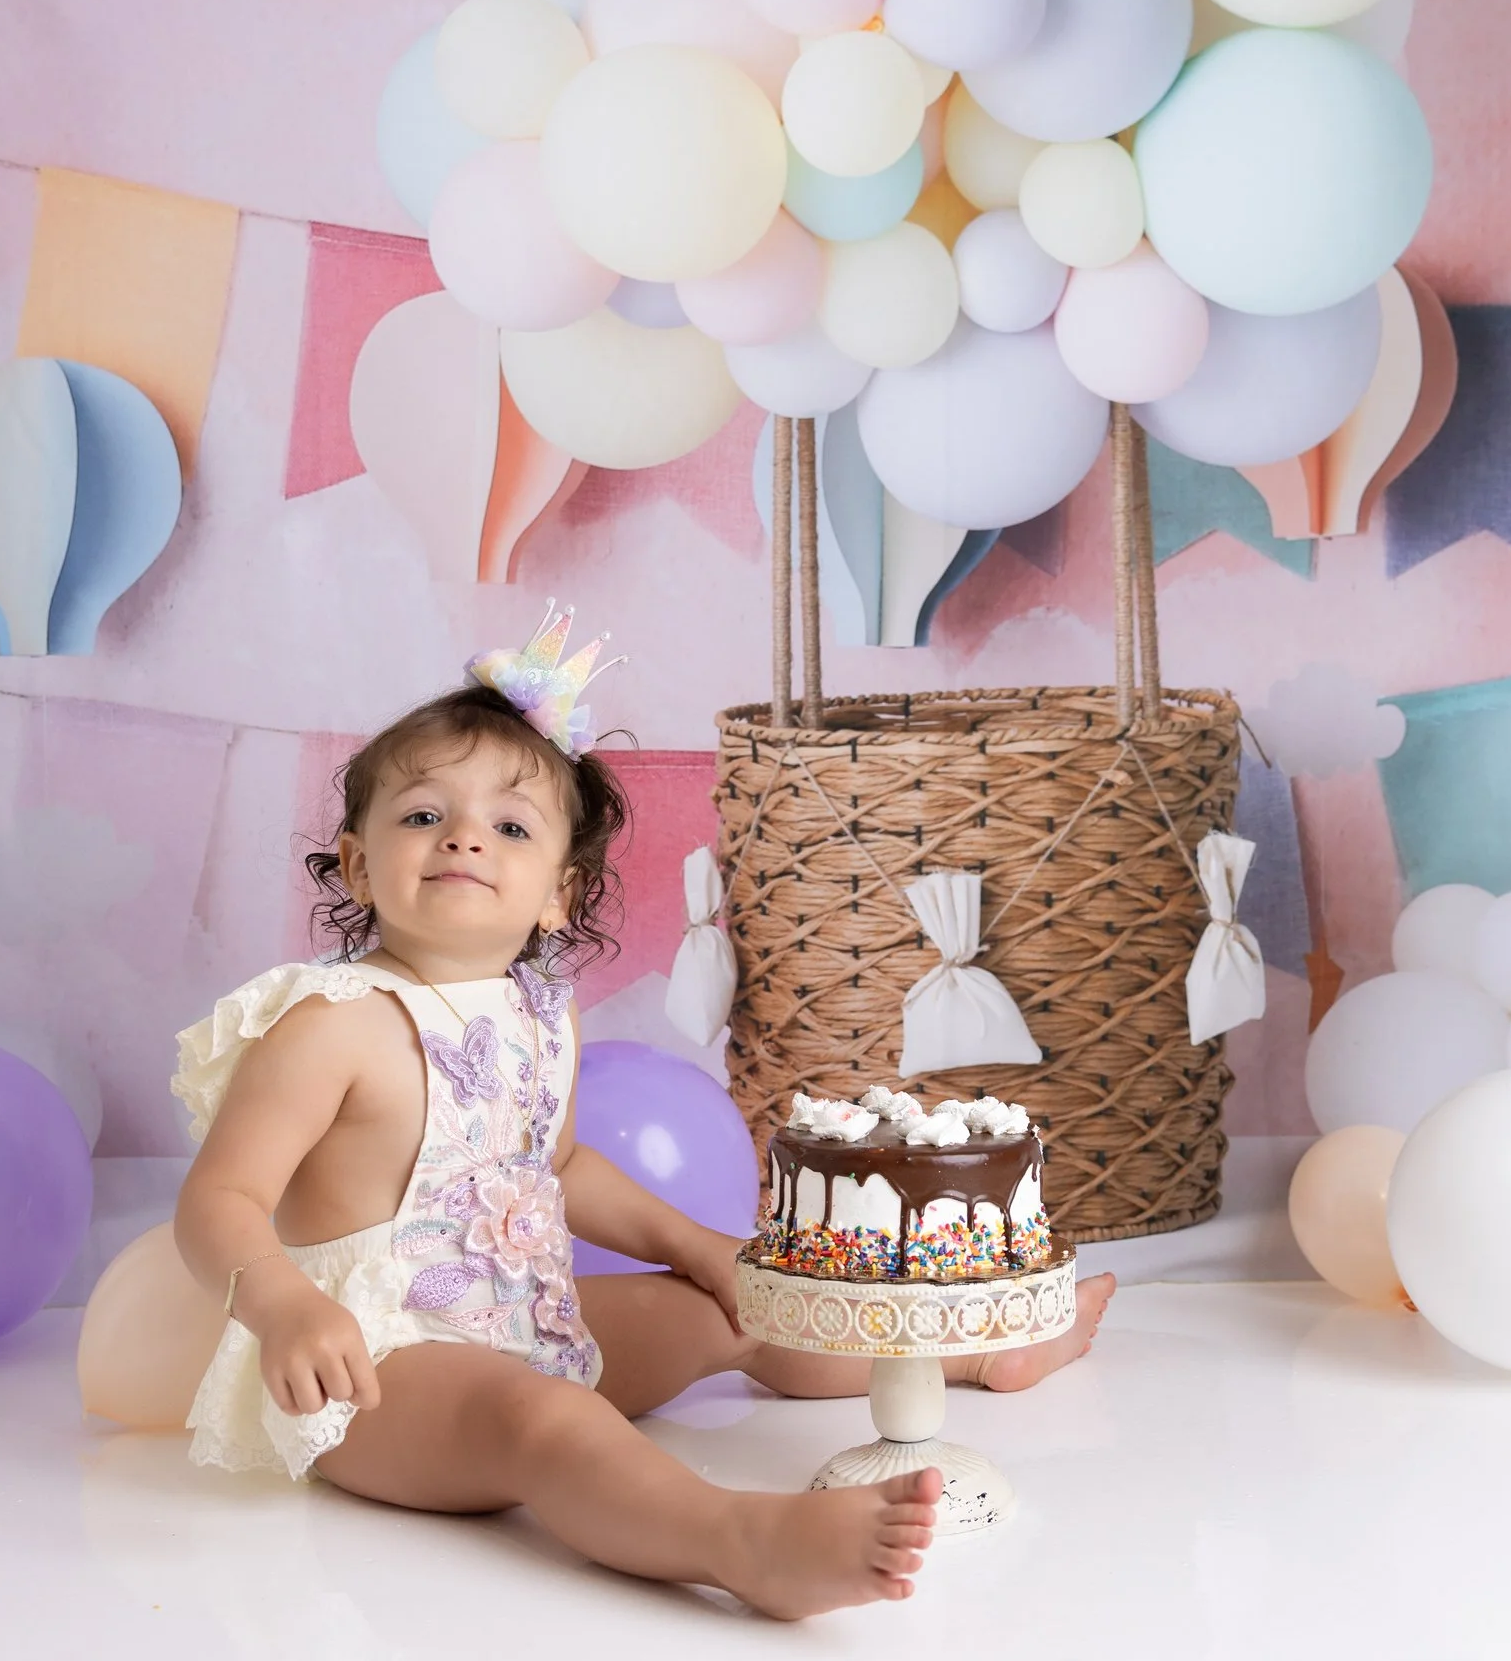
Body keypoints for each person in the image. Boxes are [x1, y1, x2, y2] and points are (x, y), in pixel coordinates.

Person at [169, 607, 1113, 1619]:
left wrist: (705, 1249)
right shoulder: (328, 1022)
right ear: (357, 864)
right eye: (422, 815)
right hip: (374, 1371)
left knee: (727, 1312)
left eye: (511, 825)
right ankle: (743, 1540)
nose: (464, 836)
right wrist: (284, 1305)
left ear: (557, 895)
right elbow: (217, 1197)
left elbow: (559, 1167)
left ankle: (962, 1352)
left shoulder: (541, 1010)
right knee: (541, 1423)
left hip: (527, 1325)